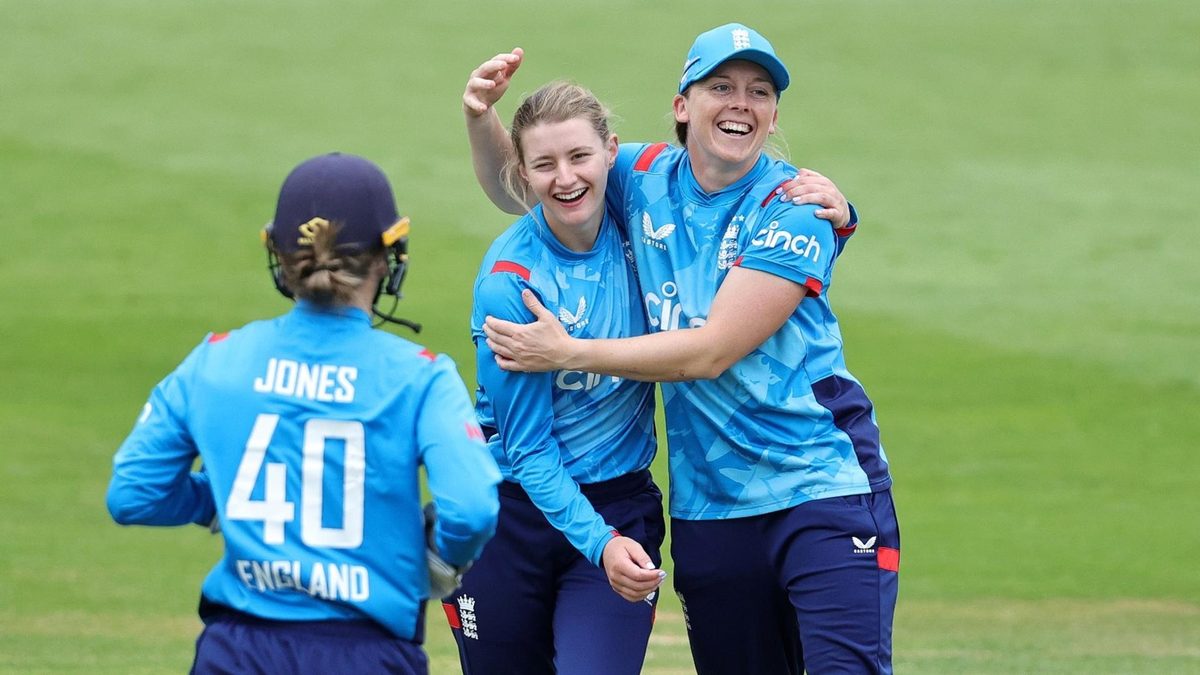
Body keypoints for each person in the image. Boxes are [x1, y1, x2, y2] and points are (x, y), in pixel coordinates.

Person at [468, 24, 899, 675]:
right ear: (682, 105)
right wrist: (480, 116)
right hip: (710, 506)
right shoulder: (637, 175)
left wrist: (569, 351)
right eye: (720, 86)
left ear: (774, 113)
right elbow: (530, 187)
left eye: (759, 91)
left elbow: (710, 351)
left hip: (819, 484)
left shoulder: (795, 206)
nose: (739, 103)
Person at [105, 152, 501, 675]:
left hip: (236, 653)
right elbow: (472, 509)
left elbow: (134, 494)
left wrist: (222, 500)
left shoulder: (217, 361)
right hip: (368, 653)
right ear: (387, 257)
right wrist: (442, 559)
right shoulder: (420, 377)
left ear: (280, 256)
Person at [442, 81, 666, 675]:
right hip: (508, 520)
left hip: (619, 502)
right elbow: (530, 451)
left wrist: (828, 208)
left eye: (579, 157)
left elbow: (717, 172)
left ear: (611, 151)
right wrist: (602, 543)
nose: (565, 179)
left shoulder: (642, 225)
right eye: (544, 165)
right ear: (523, 172)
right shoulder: (510, 284)